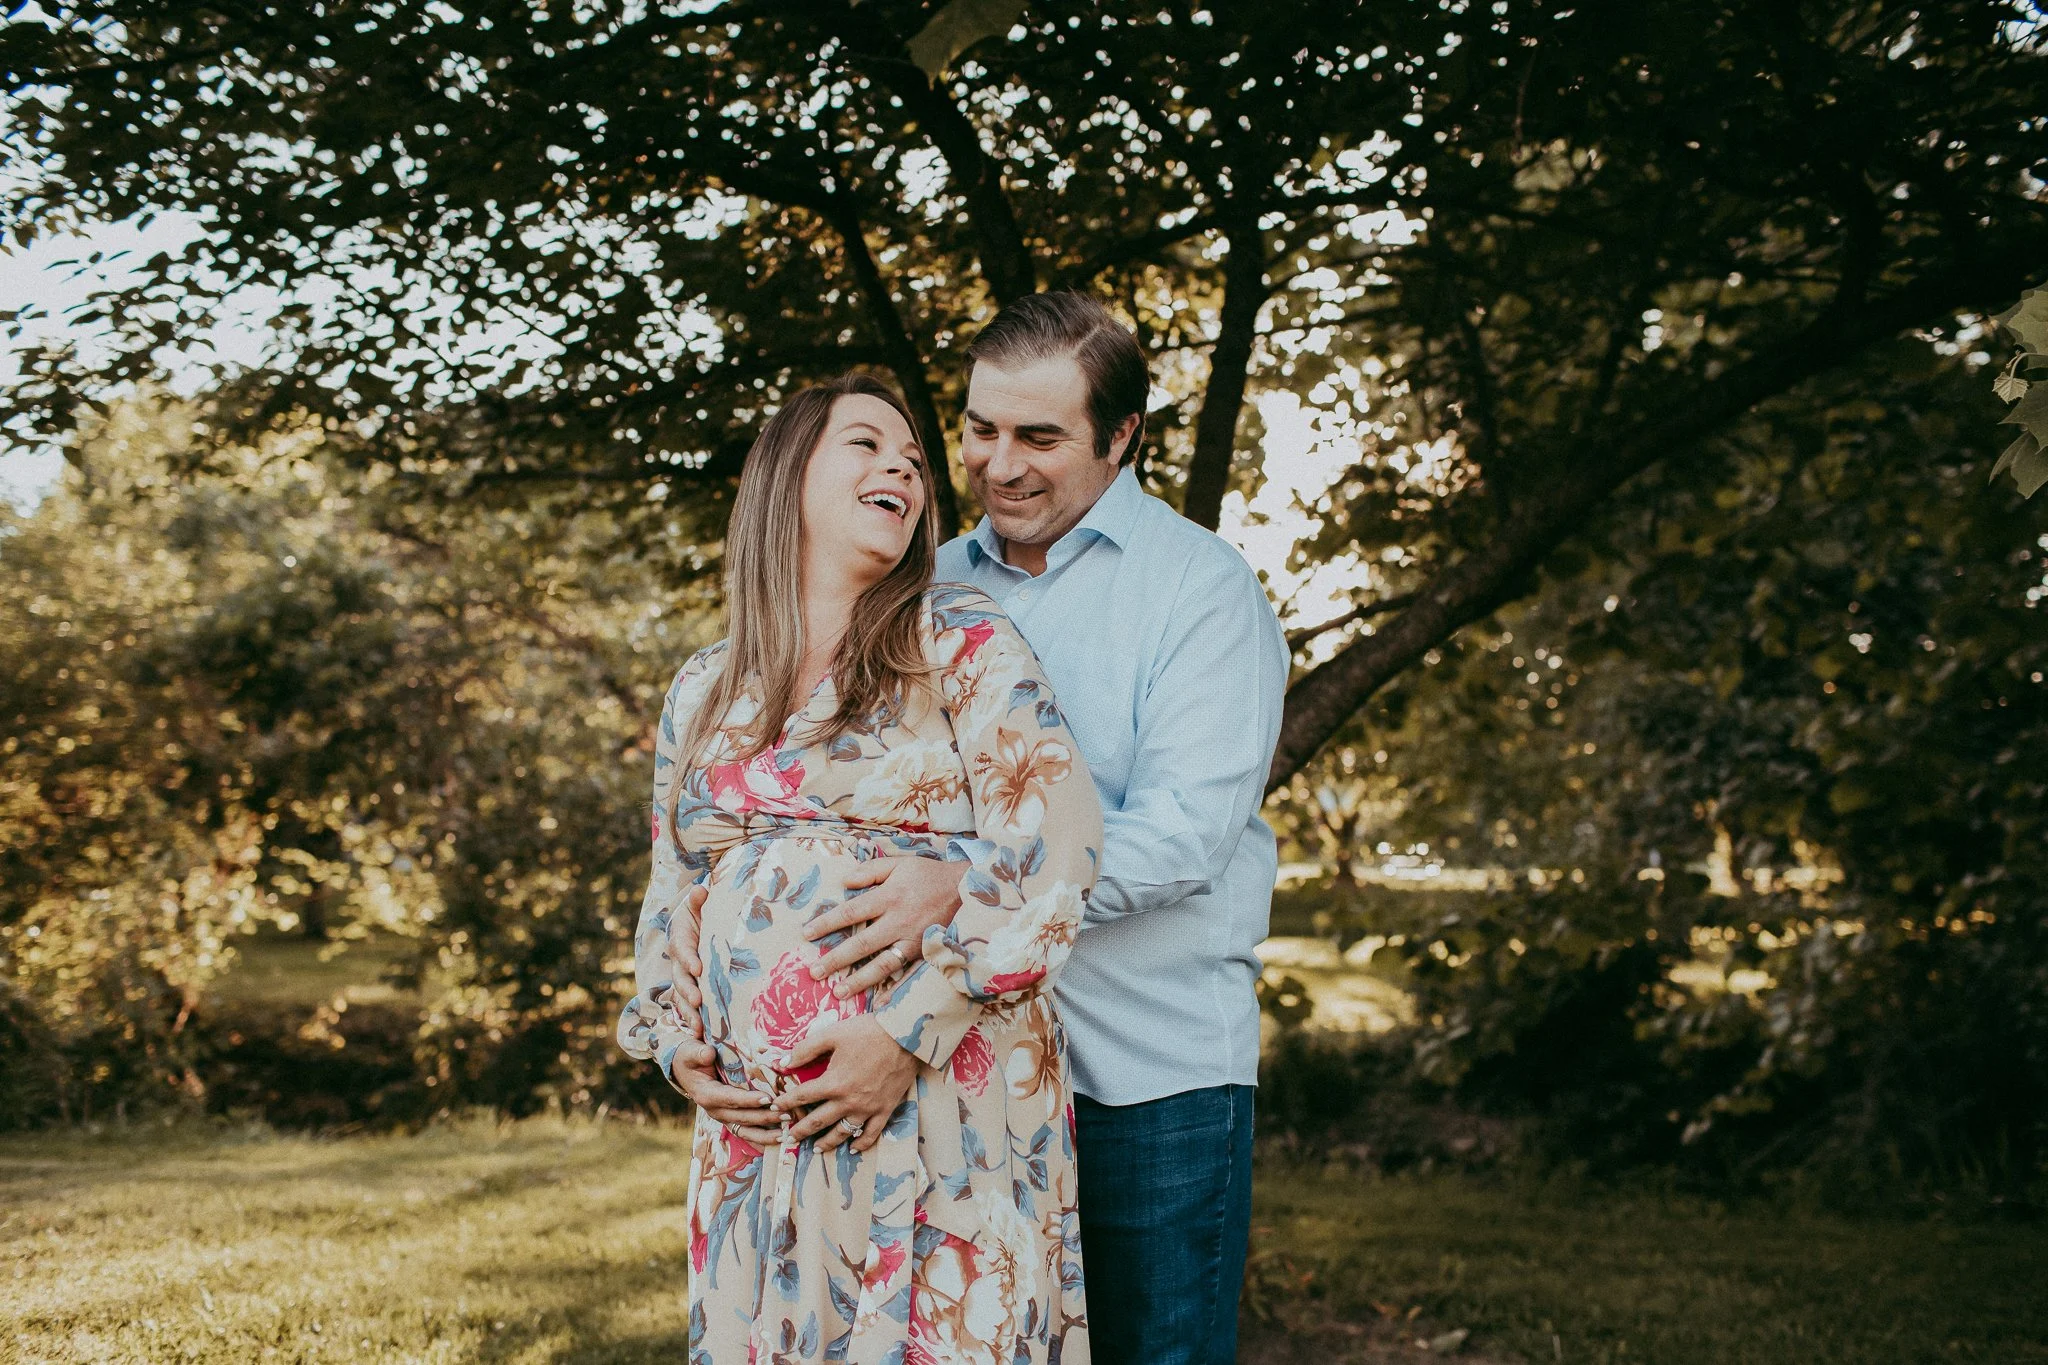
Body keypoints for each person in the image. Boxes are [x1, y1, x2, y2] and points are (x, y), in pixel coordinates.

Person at [671, 295, 1289, 1364]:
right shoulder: (924, 582)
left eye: (1038, 437)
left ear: (1122, 435)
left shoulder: (1200, 589)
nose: (1000, 466)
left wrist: (963, 881)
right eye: (980, 429)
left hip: (1144, 1069)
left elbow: (1187, 835)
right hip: (959, 1075)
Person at [616, 373, 1103, 1365]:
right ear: (787, 475)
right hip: (760, 1135)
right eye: (868, 445)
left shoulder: (958, 641)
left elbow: (1057, 851)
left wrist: (903, 1032)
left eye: (914, 460)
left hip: (939, 1094)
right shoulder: (705, 685)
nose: (903, 469)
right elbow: (672, 880)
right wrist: (674, 1041)